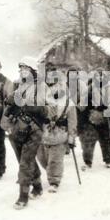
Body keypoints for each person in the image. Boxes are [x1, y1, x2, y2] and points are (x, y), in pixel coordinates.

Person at [2, 56, 47, 209]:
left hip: (34, 129)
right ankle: (38, 184)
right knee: (24, 159)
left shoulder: (41, 86)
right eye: (21, 69)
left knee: (25, 162)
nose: (22, 71)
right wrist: (10, 103)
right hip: (17, 128)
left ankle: (23, 195)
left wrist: (24, 103)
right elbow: (9, 107)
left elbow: (46, 110)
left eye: (25, 68)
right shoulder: (18, 86)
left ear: (33, 71)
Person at [37, 64, 77, 193]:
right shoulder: (40, 94)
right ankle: (51, 172)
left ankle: (54, 181)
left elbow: (72, 118)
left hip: (59, 132)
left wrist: (71, 137)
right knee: (43, 159)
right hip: (43, 132)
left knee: (55, 159)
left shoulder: (66, 98)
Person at [78, 67, 110, 169]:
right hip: (91, 116)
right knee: (89, 140)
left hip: (104, 115)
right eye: (97, 75)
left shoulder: (108, 87)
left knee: (106, 139)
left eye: (101, 75)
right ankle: (87, 161)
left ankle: (108, 160)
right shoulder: (90, 87)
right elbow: (83, 103)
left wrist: (105, 109)